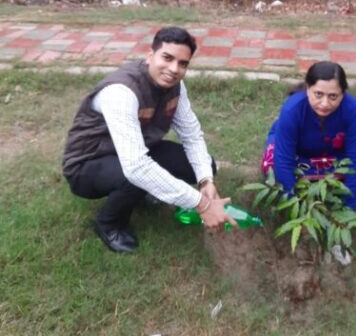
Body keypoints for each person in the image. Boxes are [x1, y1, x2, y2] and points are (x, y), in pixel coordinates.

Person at [62, 26, 236, 253]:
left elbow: (191, 135)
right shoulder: (121, 92)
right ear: (150, 55)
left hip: (134, 149)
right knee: (133, 177)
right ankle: (108, 224)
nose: (174, 69)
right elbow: (135, 167)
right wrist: (202, 204)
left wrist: (205, 181)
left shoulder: (175, 85)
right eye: (167, 58)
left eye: (183, 63)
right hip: (88, 164)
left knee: (205, 166)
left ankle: (144, 193)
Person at [261, 61, 356, 210]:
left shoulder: (353, 110)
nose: (324, 103)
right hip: (298, 154)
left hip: (334, 155)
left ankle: (322, 182)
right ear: (308, 89)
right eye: (318, 94)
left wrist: (348, 207)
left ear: (343, 93)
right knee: (272, 165)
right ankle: (315, 183)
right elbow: (283, 158)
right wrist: (294, 205)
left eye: (333, 96)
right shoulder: (292, 109)